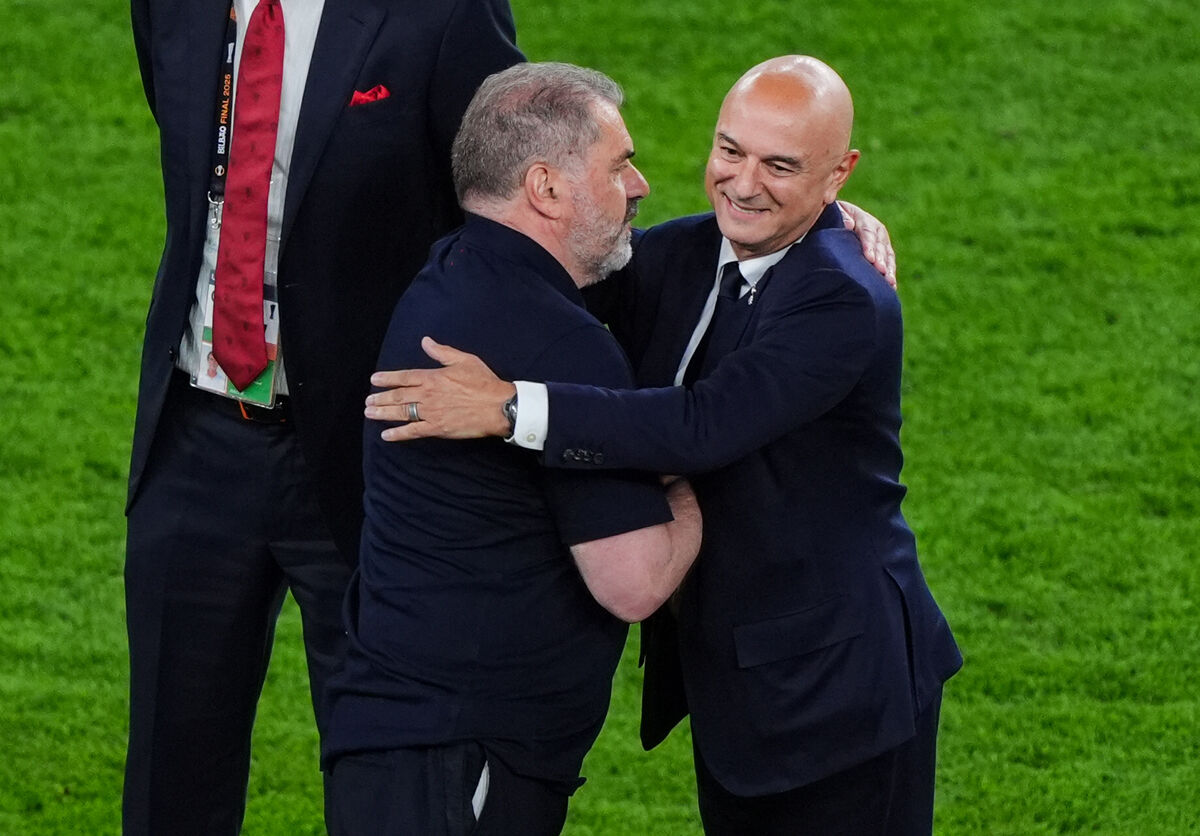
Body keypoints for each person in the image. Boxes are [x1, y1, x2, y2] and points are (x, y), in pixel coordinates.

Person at [366, 56, 962, 835]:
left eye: (782, 166)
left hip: (836, 683)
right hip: (735, 675)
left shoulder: (844, 299)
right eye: (730, 151)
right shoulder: (683, 254)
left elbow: (703, 425)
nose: (743, 183)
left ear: (838, 173)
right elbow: (543, 269)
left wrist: (510, 408)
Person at [123, 1, 522, 833]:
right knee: (169, 785)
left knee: (388, 789)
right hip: (193, 440)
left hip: (375, 454)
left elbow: (515, 196)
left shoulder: (443, 12)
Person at [320, 62, 702, 836]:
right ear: (547, 188)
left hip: (401, 736)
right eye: (620, 165)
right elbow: (634, 582)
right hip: (467, 752)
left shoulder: (450, 274)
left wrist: (824, 218)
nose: (640, 187)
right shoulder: (562, 343)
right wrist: (696, 478)